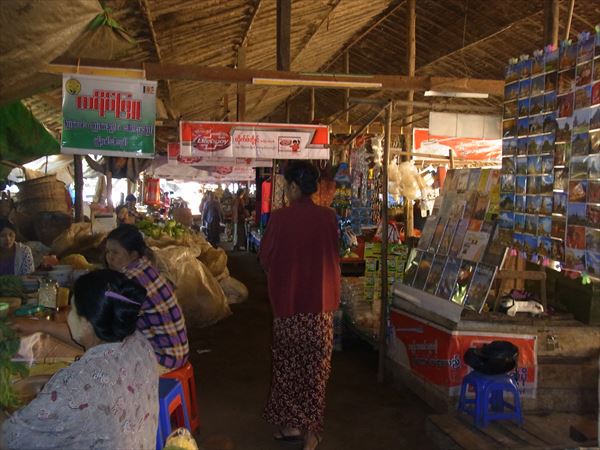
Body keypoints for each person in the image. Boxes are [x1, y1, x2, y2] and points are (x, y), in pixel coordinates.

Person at [3, 270, 158, 449]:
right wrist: (42, 325)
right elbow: (93, 337)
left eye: (72, 310)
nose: (67, 316)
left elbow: (9, 438)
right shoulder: (139, 343)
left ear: (87, 324)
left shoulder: (73, 387)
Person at [259, 161, 340, 450]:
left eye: (286, 185)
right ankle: (310, 432)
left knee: (287, 367)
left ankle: (292, 425)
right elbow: (334, 254)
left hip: (289, 307)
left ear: (294, 187)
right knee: (315, 371)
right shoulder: (329, 217)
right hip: (320, 310)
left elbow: (265, 257)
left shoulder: (280, 218)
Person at [105, 224, 189, 372]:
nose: (109, 258)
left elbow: (110, 318)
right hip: (175, 352)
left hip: (164, 358)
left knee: (102, 359)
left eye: (115, 252)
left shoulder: (132, 279)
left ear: (133, 254)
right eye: (107, 252)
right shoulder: (144, 267)